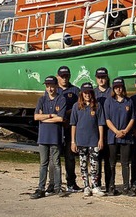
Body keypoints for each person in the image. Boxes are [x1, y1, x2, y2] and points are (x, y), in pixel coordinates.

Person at [30, 76, 66, 199]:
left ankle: (57, 187)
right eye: (48, 86)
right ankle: (41, 188)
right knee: (43, 163)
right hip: (43, 136)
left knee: (56, 162)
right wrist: (51, 116)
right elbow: (36, 117)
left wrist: (44, 118)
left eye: (52, 85)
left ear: (56, 86)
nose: (50, 88)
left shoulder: (61, 99)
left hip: (55, 136)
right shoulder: (42, 100)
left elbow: (60, 118)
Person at [69, 82, 106, 197]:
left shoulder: (97, 106)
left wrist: (101, 139)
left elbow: (100, 123)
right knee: (83, 164)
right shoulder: (76, 106)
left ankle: (95, 185)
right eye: (85, 92)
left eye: (89, 92)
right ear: (82, 93)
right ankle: (86, 186)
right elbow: (73, 124)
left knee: (95, 164)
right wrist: (73, 141)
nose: (87, 95)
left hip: (93, 140)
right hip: (81, 140)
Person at [104, 77, 136, 196]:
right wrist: (116, 131)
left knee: (125, 163)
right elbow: (107, 119)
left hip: (126, 136)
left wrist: (126, 130)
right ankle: (111, 186)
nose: (118, 89)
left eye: (120, 87)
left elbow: (133, 117)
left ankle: (126, 187)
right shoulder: (108, 101)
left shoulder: (129, 101)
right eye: (116, 87)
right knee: (111, 163)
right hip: (112, 136)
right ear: (113, 88)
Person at [56, 65, 81, 193]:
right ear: (58, 77)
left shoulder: (76, 90)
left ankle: (71, 182)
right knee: (55, 157)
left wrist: (68, 113)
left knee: (70, 157)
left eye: (66, 76)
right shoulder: (53, 90)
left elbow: (80, 107)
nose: (64, 78)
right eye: (62, 76)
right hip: (57, 128)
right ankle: (56, 183)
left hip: (70, 127)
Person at [93, 67, 112, 192]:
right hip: (95, 130)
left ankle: (110, 184)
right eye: (99, 77)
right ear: (96, 78)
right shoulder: (92, 92)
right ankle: (97, 184)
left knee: (109, 160)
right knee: (97, 160)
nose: (101, 79)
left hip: (109, 130)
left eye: (103, 77)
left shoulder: (112, 92)